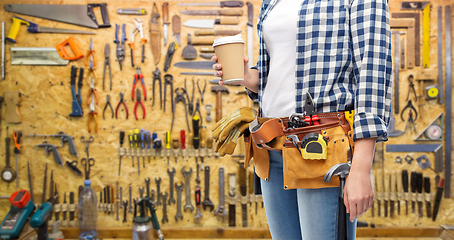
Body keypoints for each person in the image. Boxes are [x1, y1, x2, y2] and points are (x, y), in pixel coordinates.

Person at [212, 0, 393, 238]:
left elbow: (373, 72)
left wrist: (360, 169)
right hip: (271, 146)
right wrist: (247, 76)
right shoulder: (272, 2)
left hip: (322, 148)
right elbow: (274, 74)